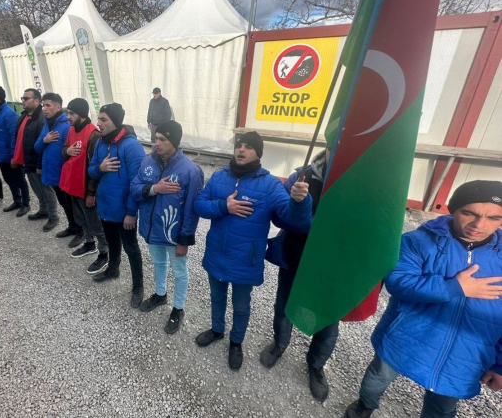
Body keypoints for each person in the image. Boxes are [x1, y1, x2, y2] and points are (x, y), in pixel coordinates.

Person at [343, 180, 502, 418]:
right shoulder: (418, 241)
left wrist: (499, 362)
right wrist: (454, 287)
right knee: (378, 377)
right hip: (406, 337)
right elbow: (398, 281)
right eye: (469, 213)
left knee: (443, 408)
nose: (479, 224)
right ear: (453, 209)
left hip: (465, 354)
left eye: (494, 218)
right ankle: (365, 405)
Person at [193, 131, 312, 371]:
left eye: (248, 147)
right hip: (217, 253)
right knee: (217, 298)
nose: (241, 150)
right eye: (239, 145)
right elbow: (199, 205)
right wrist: (223, 206)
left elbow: (294, 219)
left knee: (241, 305)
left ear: (258, 153)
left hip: (245, 260)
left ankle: (236, 342)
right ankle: (217, 330)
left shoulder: (269, 185)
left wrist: (299, 202)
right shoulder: (218, 177)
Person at [259, 148, 336, 402]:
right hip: (296, 257)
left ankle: (315, 365)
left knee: (327, 320)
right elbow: (282, 220)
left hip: (334, 267)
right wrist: (298, 204)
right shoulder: (301, 177)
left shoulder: (362, 185)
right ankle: (280, 343)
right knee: (284, 306)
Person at [130, 120, 204, 334]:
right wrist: (154, 188)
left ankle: (178, 308)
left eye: (162, 139)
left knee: (180, 271)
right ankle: (160, 294)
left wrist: (185, 238)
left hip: (174, 234)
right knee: (158, 263)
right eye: (155, 137)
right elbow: (134, 188)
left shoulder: (191, 171)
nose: (156, 142)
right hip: (152, 229)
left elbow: (192, 209)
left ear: (175, 141)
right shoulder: (147, 162)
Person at [88, 103, 146, 308]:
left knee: (131, 248)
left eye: (104, 119)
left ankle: (138, 286)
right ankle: (113, 269)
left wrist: (132, 213)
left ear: (116, 121)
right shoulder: (101, 143)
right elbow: (91, 171)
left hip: (124, 211)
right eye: (99, 119)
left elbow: (137, 183)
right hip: (105, 206)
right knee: (113, 242)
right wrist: (101, 167)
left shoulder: (131, 146)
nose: (99, 123)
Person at [59, 98, 109, 275]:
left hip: (85, 188)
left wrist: (91, 193)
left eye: (71, 113)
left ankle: (104, 252)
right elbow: (64, 150)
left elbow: (96, 167)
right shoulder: (71, 129)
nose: (68, 116)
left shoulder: (93, 134)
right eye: (68, 113)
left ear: (81, 114)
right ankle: (89, 243)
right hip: (72, 184)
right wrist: (67, 151)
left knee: (94, 221)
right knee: (81, 218)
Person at [35, 93, 83, 243]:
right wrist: (45, 139)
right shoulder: (47, 125)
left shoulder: (67, 126)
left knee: (73, 204)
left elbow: (73, 153)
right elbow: (37, 148)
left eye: (48, 105)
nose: (44, 109)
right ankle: (72, 226)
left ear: (57, 107)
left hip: (65, 174)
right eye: (43, 105)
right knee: (64, 203)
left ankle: (81, 231)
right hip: (53, 173)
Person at [13, 89, 51, 223]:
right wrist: (15, 156)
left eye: (26, 98)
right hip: (26, 160)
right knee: (36, 189)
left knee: (45, 190)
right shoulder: (23, 116)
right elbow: (18, 138)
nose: (23, 100)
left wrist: (39, 164)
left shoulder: (41, 118)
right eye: (22, 98)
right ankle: (43, 209)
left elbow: (42, 145)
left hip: (36, 162)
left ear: (36, 101)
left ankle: (52, 215)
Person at [0, 86, 22, 213]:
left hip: (10, 155)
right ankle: (16, 200)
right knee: (8, 179)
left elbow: (15, 136)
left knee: (18, 180)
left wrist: (14, 156)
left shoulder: (9, 114)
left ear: (0, 97)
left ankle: (24, 203)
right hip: (1, 154)